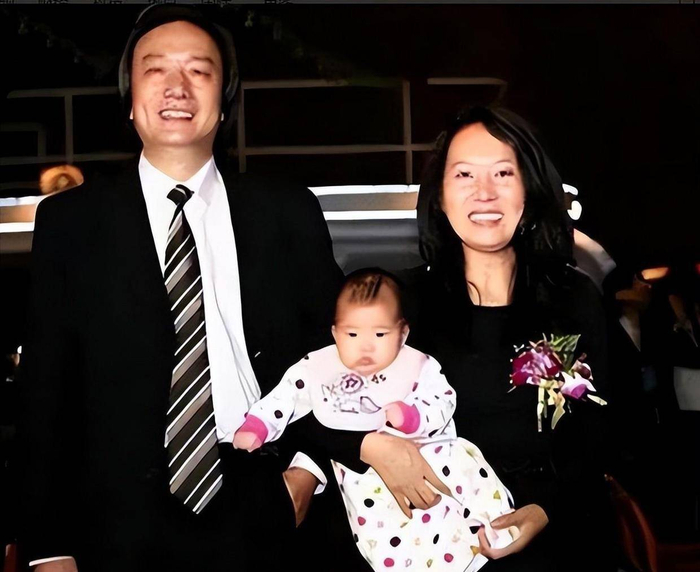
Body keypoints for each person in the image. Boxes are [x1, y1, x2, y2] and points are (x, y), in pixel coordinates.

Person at [16, 6, 344, 571]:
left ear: (224, 99)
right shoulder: (70, 223)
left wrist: (306, 473)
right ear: (130, 99)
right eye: (155, 69)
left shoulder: (286, 211)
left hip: (263, 497)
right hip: (116, 520)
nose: (177, 86)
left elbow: (336, 352)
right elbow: (45, 391)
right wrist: (47, 547)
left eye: (198, 70)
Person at [396, 106, 616, 571]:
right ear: (439, 196)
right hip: (434, 546)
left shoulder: (573, 299)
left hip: (558, 542)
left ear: (529, 190)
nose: (485, 192)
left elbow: (608, 427)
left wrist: (545, 508)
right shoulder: (400, 305)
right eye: (464, 175)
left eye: (503, 173)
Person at [234, 269, 515, 572]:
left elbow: (443, 399)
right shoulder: (319, 367)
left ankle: (496, 525)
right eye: (352, 334)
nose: (365, 346)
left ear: (402, 334)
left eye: (380, 334)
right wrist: (258, 426)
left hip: (435, 456)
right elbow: (285, 397)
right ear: (335, 333)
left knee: (468, 477)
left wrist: (413, 417)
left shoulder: (417, 365)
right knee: (388, 535)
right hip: (366, 481)